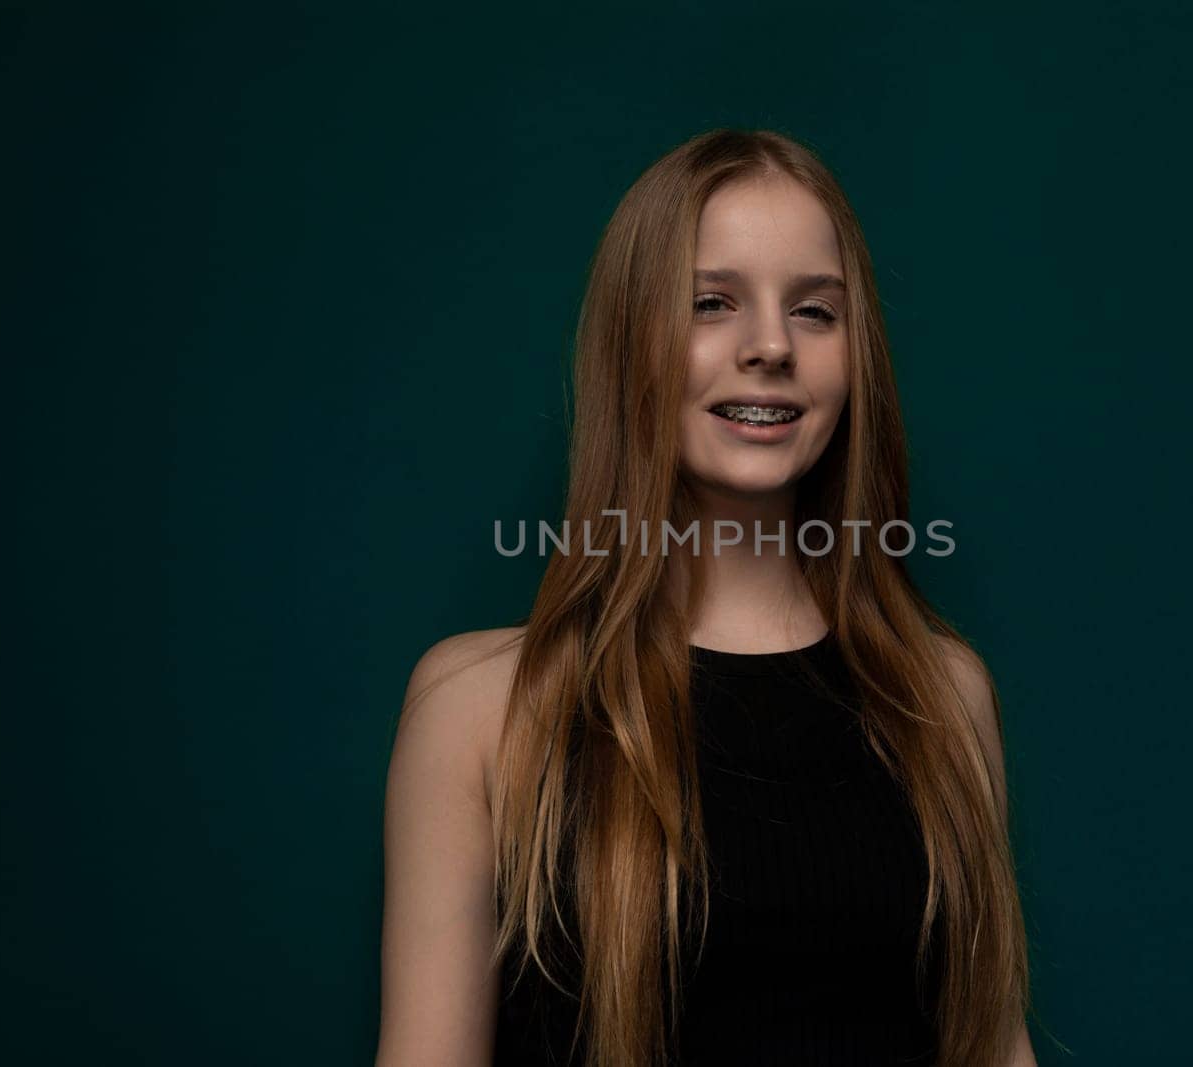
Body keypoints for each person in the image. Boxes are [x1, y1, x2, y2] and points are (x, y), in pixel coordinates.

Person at [376, 129, 1037, 1066]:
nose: (770, 345)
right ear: (631, 343)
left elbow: (992, 1047)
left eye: (815, 311)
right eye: (711, 303)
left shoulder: (944, 696)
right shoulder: (481, 708)